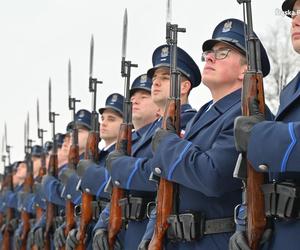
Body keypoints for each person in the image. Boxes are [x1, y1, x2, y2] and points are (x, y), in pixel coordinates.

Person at [140, 18, 272, 250]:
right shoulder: (204, 114)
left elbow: (212, 176)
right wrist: (152, 233)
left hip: (217, 240)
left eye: (223, 53)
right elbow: (171, 183)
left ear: (245, 69)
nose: (209, 57)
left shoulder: (247, 116)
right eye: (209, 53)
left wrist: (168, 144)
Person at [104, 44, 201, 250]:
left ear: (183, 87)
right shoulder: (151, 130)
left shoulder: (188, 123)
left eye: (165, 77)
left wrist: (121, 167)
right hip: (133, 231)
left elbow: (163, 172)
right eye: (155, 77)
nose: (155, 82)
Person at [230, 1, 300, 250]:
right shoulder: (291, 89)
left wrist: (260, 137)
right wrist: (247, 218)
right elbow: (272, 174)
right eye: (294, 12)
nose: (295, 19)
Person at [63, 94, 124, 250]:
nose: (103, 124)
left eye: (111, 119)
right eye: (102, 119)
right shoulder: (100, 157)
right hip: (91, 231)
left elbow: (113, 190)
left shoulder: (119, 156)